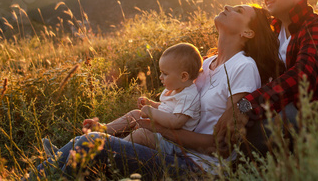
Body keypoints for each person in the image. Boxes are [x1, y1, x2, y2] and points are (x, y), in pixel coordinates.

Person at [31, 3, 281, 180]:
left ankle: (56, 166)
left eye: (238, 10)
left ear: (248, 32)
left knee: (90, 143)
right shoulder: (206, 65)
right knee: (133, 130)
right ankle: (63, 164)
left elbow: (222, 145)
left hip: (200, 169)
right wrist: (155, 115)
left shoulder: (244, 67)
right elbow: (186, 107)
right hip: (181, 150)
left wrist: (162, 129)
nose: (227, 6)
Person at [214, 0, 318, 154]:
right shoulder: (273, 29)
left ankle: (222, 160)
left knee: (252, 131)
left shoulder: (316, 29)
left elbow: (301, 78)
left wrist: (245, 106)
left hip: (307, 114)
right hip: (273, 106)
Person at [48, 43, 202, 156]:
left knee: (141, 134)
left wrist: (150, 112)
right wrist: (152, 104)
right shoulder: (176, 89)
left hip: (172, 144)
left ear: (183, 76)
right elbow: (166, 108)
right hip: (163, 133)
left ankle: (110, 150)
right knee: (135, 114)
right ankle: (103, 130)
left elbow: (176, 121)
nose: (160, 77)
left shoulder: (189, 95)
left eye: (165, 74)